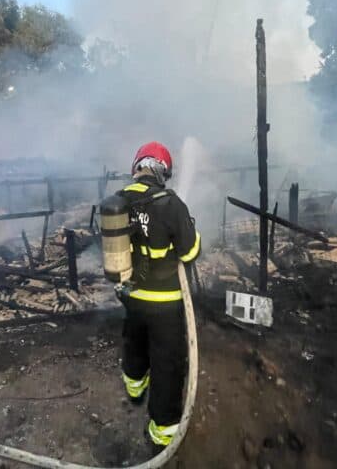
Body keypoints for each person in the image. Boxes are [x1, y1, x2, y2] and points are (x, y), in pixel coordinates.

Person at [115, 141, 201, 450]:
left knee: (134, 341)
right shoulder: (171, 203)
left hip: (131, 295)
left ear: (136, 167)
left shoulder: (119, 201)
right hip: (166, 302)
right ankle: (163, 433)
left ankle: (135, 388)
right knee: (167, 362)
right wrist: (191, 229)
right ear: (163, 171)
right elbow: (190, 253)